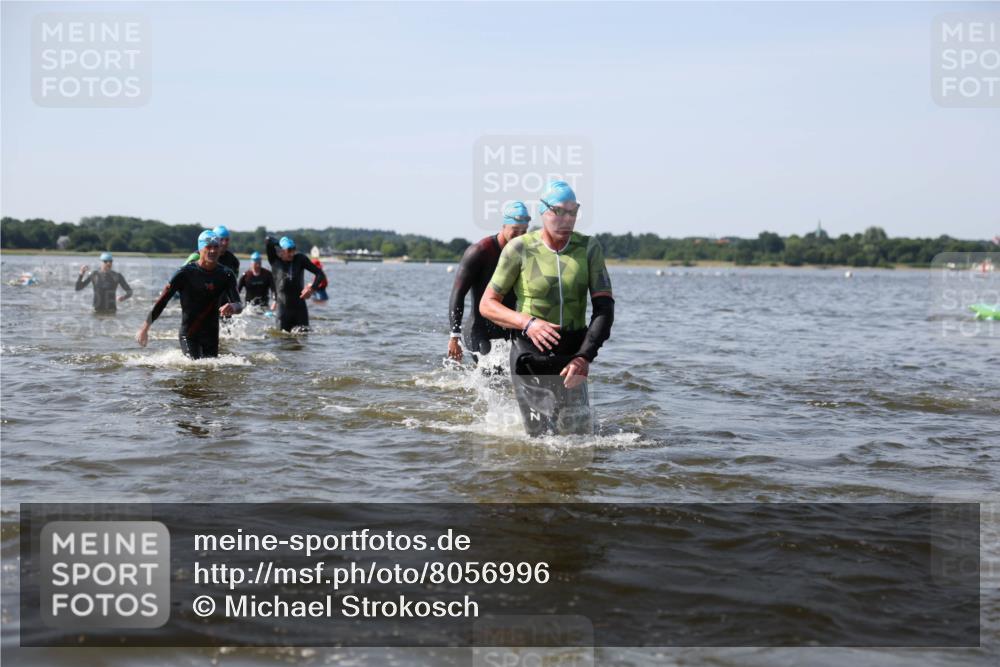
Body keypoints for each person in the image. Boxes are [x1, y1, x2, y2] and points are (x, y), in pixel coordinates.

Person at [480, 181, 614, 436]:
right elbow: (487, 304)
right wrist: (528, 323)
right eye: (559, 211)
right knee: (540, 438)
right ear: (543, 212)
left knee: (579, 437)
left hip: (573, 354)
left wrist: (585, 356)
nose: (567, 219)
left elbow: (604, 310)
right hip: (530, 353)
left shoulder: (588, 248)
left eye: (573, 212)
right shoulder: (519, 248)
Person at [135, 230, 243, 359]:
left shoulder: (226, 274)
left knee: (211, 372)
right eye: (208, 247)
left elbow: (239, 305)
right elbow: (162, 301)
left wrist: (233, 307)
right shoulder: (185, 273)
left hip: (212, 335)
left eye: (216, 247)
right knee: (195, 369)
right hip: (189, 334)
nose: (213, 251)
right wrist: (145, 328)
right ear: (200, 249)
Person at [447, 201, 529, 363]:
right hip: (479, 330)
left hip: (509, 328)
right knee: (492, 372)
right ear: (504, 226)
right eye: (515, 231)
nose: (519, 236)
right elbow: (458, 293)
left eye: (524, 231)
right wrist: (454, 336)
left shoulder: (526, 252)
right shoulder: (480, 251)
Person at [265, 235, 326, 331]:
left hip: (300, 310)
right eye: (289, 250)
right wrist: (280, 244)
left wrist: (311, 289)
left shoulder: (300, 259)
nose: (292, 253)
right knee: (282, 340)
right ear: (281, 251)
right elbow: (268, 240)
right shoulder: (274, 260)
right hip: (283, 310)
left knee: (304, 338)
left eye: (294, 250)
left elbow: (320, 274)